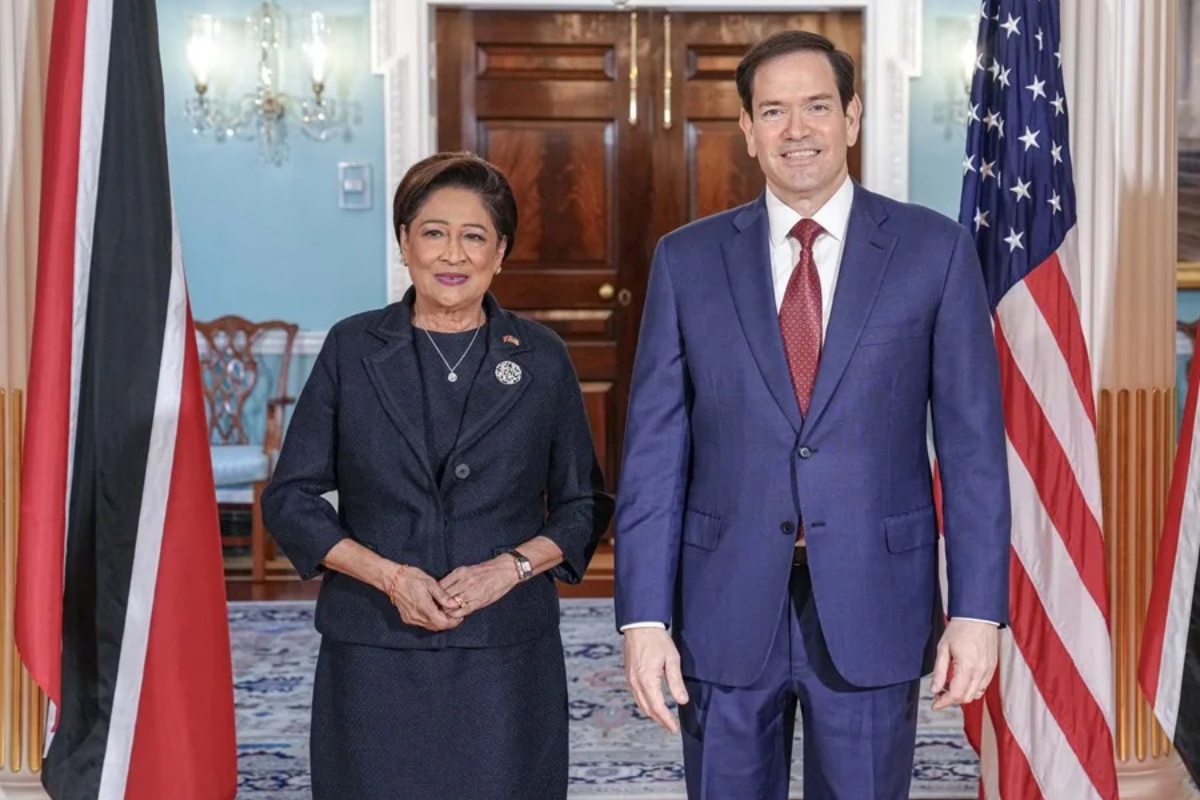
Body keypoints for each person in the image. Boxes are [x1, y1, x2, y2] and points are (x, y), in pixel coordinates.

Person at [614, 30, 1011, 799]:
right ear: (748, 129)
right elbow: (654, 457)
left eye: (817, 107)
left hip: (874, 599)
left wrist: (977, 610)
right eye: (773, 111)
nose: (796, 129)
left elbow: (972, 453)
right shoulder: (686, 261)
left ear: (852, 116)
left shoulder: (934, 251)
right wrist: (643, 618)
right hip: (722, 601)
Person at [261, 151, 614, 800]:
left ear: (500, 252)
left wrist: (507, 569)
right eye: (433, 232)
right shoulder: (351, 348)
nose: (453, 254)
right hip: (373, 643)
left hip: (504, 652)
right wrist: (389, 577)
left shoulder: (542, 357)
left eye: (474, 236)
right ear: (404, 242)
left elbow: (582, 506)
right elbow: (292, 500)